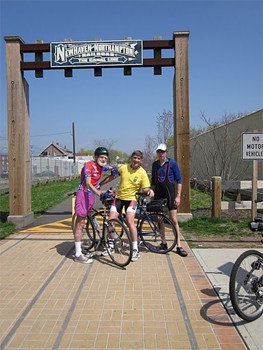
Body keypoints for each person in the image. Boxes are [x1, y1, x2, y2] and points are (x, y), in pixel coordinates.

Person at [100, 150, 154, 261]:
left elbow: (145, 188)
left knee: (130, 222)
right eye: (134, 157)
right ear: (131, 158)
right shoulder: (124, 168)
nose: (136, 160)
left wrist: (149, 191)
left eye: (138, 158)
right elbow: (112, 176)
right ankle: (111, 245)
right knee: (110, 221)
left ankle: (134, 249)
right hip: (119, 198)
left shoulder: (142, 172)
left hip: (131, 200)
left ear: (141, 160)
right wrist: (99, 184)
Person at [73, 147, 113, 264]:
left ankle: (83, 248)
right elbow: (89, 183)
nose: (104, 159)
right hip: (83, 194)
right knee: (80, 223)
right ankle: (77, 254)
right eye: (101, 157)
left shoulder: (102, 167)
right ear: (95, 157)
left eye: (105, 158)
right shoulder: (89, 165)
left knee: (86, 218)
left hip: (91, 196)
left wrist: (115, 171)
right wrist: (99, 192)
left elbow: (112, 170)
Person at [151, 143, 188, 257]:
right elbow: (153, 181)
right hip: (158, 193)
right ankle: (163, 242)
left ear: (166, 152)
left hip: (170, 193)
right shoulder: (155, 165)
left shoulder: (172, 163)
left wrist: (178, 196)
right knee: (159, 218)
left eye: (162, 152)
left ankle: (178, 245)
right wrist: (152, 195)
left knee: (173, 219)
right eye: (159, 152)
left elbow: (179, 180)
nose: (160, 154)